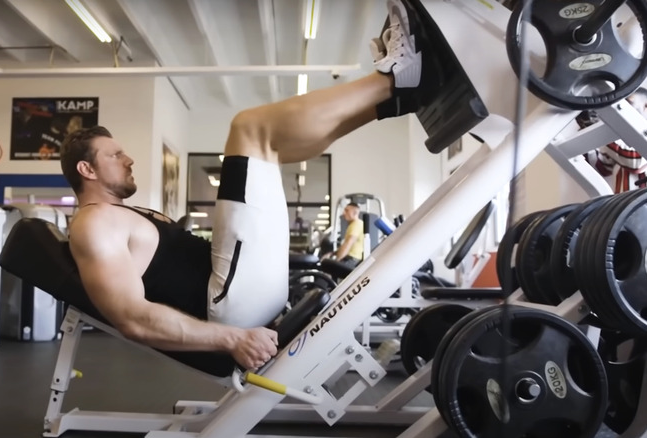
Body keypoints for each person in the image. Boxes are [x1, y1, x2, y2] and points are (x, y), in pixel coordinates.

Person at [59, 0, 435, 370]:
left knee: (271, 148)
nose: (129, 159)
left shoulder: (115, 216)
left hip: (237, 292)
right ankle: (394, 81)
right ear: (86, 170)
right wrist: (233, 339)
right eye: (114, 155)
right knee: (251, 130)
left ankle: (399, 94)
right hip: (229, 304)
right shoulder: (93, 225)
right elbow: (132, 317)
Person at [332, 203, 365, 267]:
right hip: (349, 258)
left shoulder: (357, 224)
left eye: (347, 211)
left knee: (329, 267)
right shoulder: (353, 224)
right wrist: (332, 253)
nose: (344, 213)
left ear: (355, 212)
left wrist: (336, 261)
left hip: (352, 259)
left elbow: (348, 243)